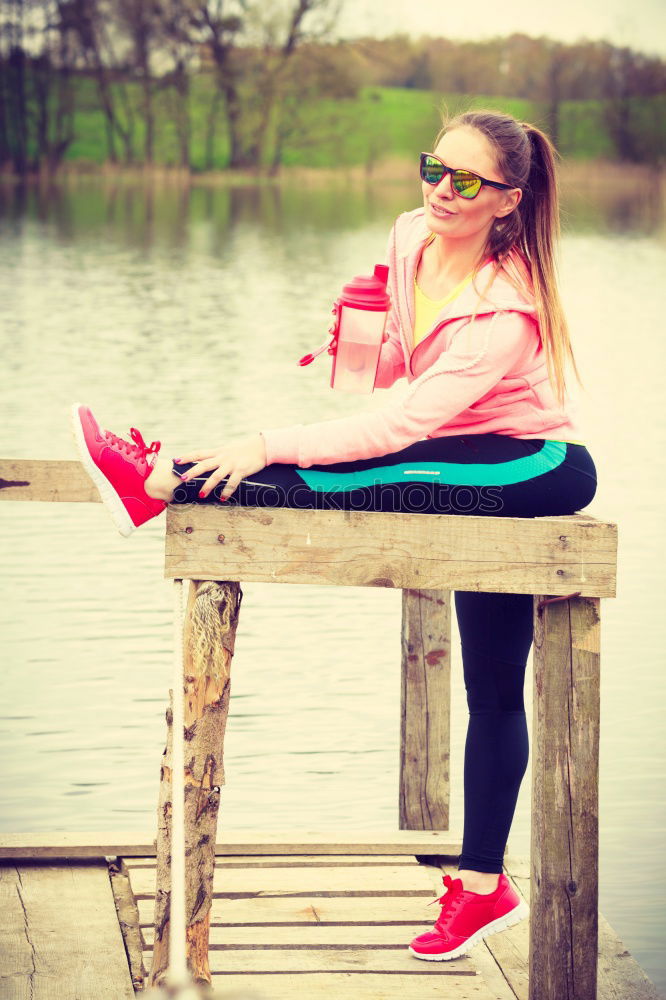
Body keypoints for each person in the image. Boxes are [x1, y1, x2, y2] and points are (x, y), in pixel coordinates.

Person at [71, 108, 597, 963]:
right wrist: (359, 338)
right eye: (434, 168)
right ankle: (483, 885)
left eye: (467, 182)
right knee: (494, 688)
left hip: (531, 465)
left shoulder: (508, 307)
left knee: (367, 484)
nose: (441, 191)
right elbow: (388, 383)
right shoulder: (408, 239)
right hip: (455, 447)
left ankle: (160, 477)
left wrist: (265, 444)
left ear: (507, 199)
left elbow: (397, 429)